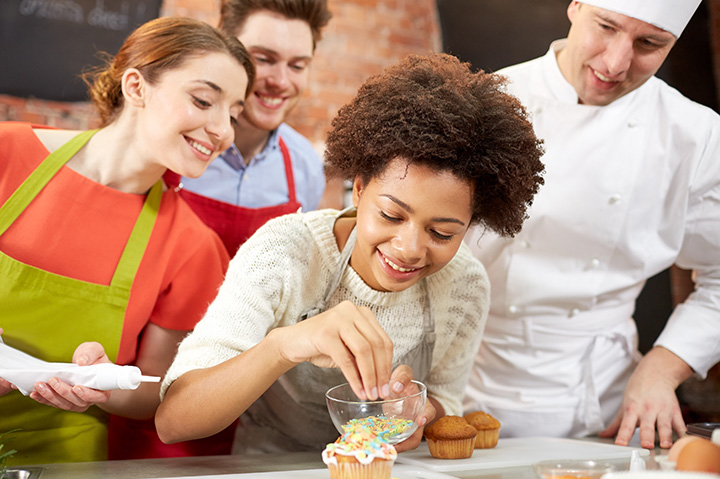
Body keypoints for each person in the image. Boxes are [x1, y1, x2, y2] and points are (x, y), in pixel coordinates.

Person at [155, 53, 545, 454]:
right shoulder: (285, 252)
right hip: (269, 466)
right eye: (391, 215)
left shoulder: (464, 286)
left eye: (442, 232)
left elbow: (446, 400)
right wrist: (284, 346)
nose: (409, 249)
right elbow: (174, 420)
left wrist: (419, 411)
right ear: (358, 189)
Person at [463, 0, 720, 450]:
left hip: (605, 405)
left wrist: (663, 367)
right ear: (575, 7)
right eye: (606, 27)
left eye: (649, 44)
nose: (616, 63)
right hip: (463, 384)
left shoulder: (695, 135)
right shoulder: (486, 102)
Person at [0, 17, 254, 465]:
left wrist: (106, 385)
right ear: (136, 87)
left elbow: (158, 388)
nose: (224, 131)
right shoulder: (7, 154)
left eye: (233, 113)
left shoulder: (191, 245)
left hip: (62, 460)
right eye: (203, 100)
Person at [166, 0, 333, 256]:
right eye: (264, 59)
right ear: (226, 48)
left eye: (297, 65)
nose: (280, 81)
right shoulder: (172, 143)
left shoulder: (307, 167)